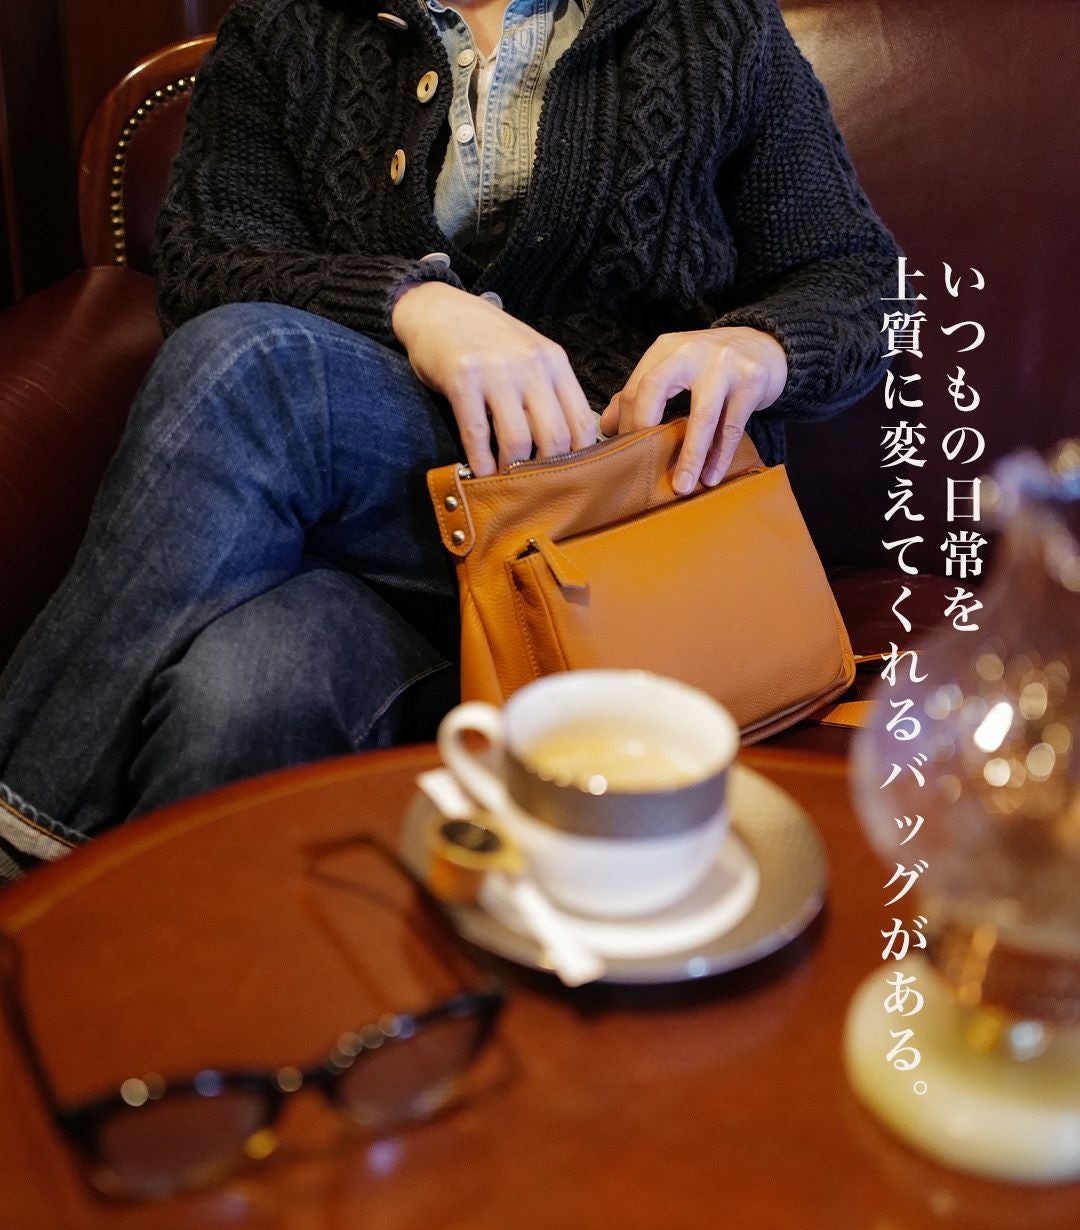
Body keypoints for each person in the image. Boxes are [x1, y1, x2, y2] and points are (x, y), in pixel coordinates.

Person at [0, 0, 900, 882]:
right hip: (391, 525)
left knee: (250, 447)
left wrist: (761, 346)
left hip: (624, 530)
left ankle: (22, 853)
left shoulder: (709, 21)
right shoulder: (288, 26)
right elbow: (205, 267)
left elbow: (856, 277)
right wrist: (413, 305)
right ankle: (86, 938)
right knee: (241, 652)